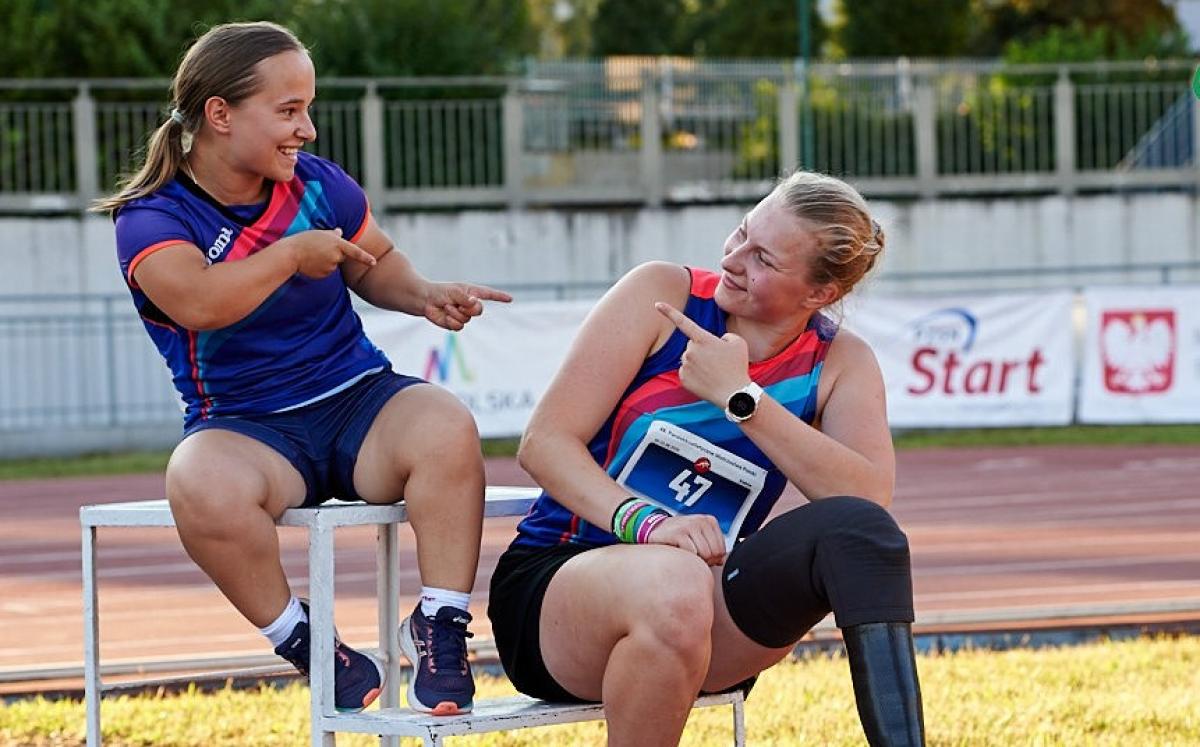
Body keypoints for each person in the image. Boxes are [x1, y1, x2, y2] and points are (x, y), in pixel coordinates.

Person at [93, 21, 510, 717]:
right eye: (289, 111)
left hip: (357, 399)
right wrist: (290, 255)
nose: (307, 130)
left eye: (307, 109)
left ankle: (438, 625)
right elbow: (198, 302)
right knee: (194, 479)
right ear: (220, 115)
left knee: (446, 424)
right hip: (246, 427)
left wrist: (426, 293)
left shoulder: (319, 186)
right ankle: (308, 641)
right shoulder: (151, 217)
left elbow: (377, 263)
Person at [489, 171, 925, 745]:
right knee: (673, 582)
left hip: (706, 596)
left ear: (820, 294)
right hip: (560, 585)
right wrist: (653, 525)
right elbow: (543, 444)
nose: (735, 259)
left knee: (861, 535)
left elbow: (868, 497)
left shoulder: (840, 362)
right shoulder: (662, 296)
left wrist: (740, 398)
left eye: (764, 257)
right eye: (742, 232)